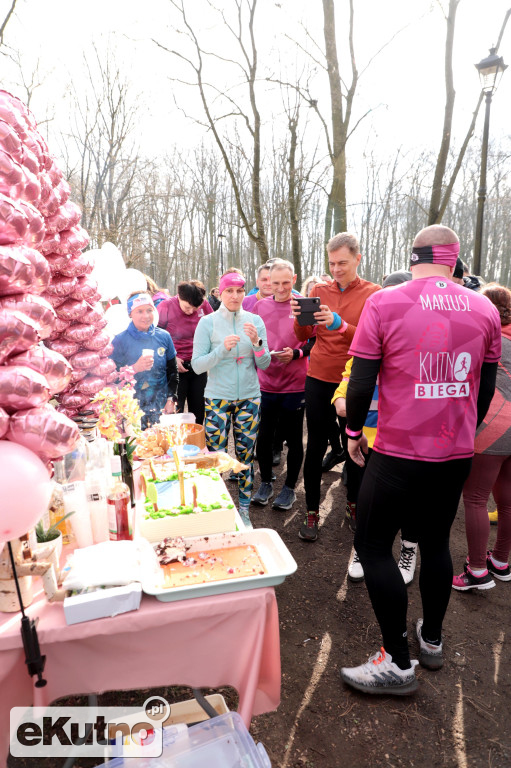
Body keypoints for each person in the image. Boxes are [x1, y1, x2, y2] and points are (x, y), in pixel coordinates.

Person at [340, 225, 500, 696]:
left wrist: (352, 433)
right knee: (434, 542)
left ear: (414, 257)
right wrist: (464, 433)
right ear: (453, 259)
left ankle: (396, 661)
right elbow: (484, 389)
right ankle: (431, 639)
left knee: (371, 547)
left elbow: (362, 381)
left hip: (397, 452)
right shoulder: (484, 307)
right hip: (452, 452)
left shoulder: (386, 302)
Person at [291, 232, 381, 542]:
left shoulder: (374, 294)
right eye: (331, 263)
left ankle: (353, 505)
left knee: (356, 445)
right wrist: (300, 318)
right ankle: (312, 511)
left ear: (358, 258)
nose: (336, 269)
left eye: (342, 262)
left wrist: (339, 324)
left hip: (355, 381)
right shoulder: (318, 290)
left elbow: (373, 341)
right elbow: (303, 335)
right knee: (315, 444)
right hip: (318, 377)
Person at [332, 269, 418, 585]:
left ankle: (409, 548)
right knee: (364, 499)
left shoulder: (422, 349)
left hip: (409, 445)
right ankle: (361, 548)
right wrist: (343, 402)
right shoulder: (369, 344)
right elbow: (346, 385)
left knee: (409, 503)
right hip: (367, 442)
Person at [191, 269, 271, 527]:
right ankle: (219, 509)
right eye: (229, 291)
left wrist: (257, 344)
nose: (235, 296)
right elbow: (197, 366)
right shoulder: (207, 322)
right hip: (217, 398)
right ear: (220, 292)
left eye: (239, 291)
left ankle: (244, 511)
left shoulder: (255, 320)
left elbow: (266, 363)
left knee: (246, 457)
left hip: (249, 397)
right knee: (216, 457)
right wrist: (221, 350)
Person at [453, 283, 511, 591]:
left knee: (475, 498)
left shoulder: (486, 336)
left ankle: (476, 570)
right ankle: (500, 562)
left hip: (493, 426)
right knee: (508, 500)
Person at [251, 259, 308, 511]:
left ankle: (289, 489)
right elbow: (253, 340)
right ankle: (265, 482)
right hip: (266, 382)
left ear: (294, 280)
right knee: (263, 437)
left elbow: (316, 342)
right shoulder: (260, 306)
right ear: (267, 282)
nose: (281, 288)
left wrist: (295, 354)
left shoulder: (303, 305)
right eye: (275, 283)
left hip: (295, 384)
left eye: (286, 282)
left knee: (294, 439)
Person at [111, 292, 178, 429]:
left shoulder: (164, 336)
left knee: (161, 445)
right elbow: (112, 377)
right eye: (140, 311)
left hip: (160, 406)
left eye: (149, 310)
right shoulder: (119, 340)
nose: (146, 316)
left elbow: (173, 372)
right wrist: (135, 368)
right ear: (130, 313)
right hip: (131, 408)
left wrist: (171, 399)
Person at [157, 280, 213, 425]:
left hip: (198, 365)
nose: (191, 312)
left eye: (195, 309)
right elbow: (156, 337)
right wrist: (172, 357)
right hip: (175, 368)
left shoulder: (205, 305)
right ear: (179, 297)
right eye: (187, 307)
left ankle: (197, 444)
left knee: (199, 411)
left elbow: (214, 327)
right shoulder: (166, 306)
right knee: (176, 411)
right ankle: (176, 445)